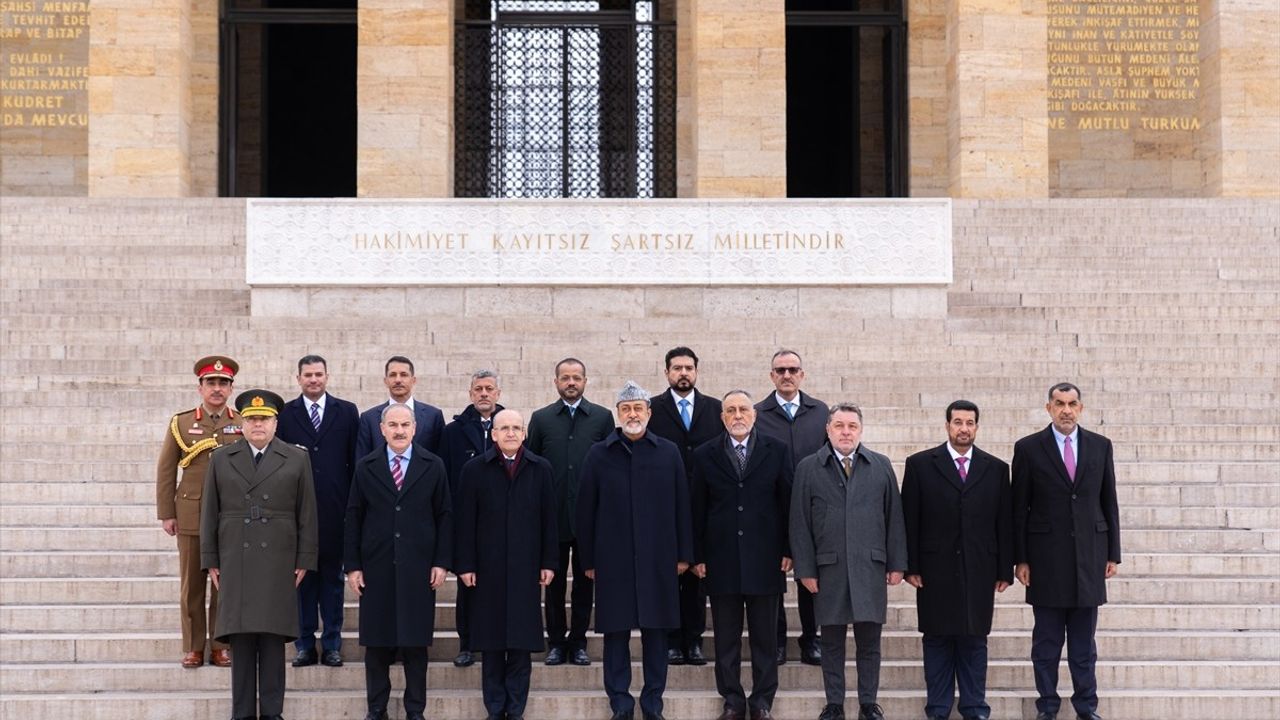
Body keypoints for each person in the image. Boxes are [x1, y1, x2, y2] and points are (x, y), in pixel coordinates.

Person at [576, 381, 694, 720]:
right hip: (613, 561)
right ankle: (621, 704)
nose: (632, 414)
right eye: (626, 409)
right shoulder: (599, 453)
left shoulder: (668, 452)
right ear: (618, 413)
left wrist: (684, 554)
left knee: (657, 636)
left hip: (659, 559)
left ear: (649, 413)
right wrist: (588, 560)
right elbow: (585, 511)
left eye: (638, 409)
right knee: (616, 636)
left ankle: (653, 703)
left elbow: (681, 506)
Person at [200, 389, 319, 720]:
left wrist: (304, 558)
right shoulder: (221, 458)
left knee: (271, 638)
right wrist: (210, 559)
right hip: (235, 555)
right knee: (240, 639)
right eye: (252, 419)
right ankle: (241, 712)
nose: (258, 425)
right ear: (241, 422)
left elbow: (306, 513)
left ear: (275, 423)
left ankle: (271, 712)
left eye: (264, 419)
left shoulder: (296, 458)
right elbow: (210, 511)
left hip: (279, 557)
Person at [790, 403, 907, 720]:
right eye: (839, 425)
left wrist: (897, 563)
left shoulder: (880, 466)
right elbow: (799, 523)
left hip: (870, 566)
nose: (845, 432)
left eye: (851, 426)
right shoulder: (808, 468)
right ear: (827, 429)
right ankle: (835, 704)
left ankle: (869, 703)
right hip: (829, 569)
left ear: (860, 430)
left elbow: (893, 517)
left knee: (869, 643)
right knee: (831, 643)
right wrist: (805, 568)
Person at [1013, 383, 1121, 720]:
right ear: (1048, 408)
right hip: (1045, 563)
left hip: (1089, 559)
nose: (1066, 410)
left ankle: (1086, 708)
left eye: (1072, 404)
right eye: (1059, 404)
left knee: (1083, 647)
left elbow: (1109, 501)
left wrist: (1112, 553)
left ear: (1081, 407)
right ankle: (1047, 706)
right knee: (1045, 646)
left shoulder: (1100, 446)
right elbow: (1019, 508)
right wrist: (1021, 558)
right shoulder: (1029, 448)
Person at [902, 400, 1012, 720]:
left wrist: (1004, 567)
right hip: (934, 571)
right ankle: (937, 709)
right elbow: (910, 519)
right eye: (958, 422)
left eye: (970, 423)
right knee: (937, 640)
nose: (964, 428)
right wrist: (911, 566)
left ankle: (974, 707)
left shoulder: (995, 468)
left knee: (974, 641)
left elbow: (1003, 523)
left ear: (977, 427)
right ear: (947, 425)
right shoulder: (921, 464)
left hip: (980, 569)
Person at [345, 403, 453, 720]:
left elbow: (445, 516)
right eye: (393, 424)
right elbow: (354, 516)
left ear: (415, 428)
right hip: (376, 567)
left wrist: (441, 562)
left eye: (405, 424)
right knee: (377, 644)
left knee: (416, 644)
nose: (399, 430)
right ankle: (376, 707)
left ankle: (415, 709)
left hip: (419, 567)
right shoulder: (366, 466)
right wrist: (353, 565)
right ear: (382, 429)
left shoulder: (433, 465)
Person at [690, 390, 793, 720]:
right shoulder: (706, 454)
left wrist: (789, 550)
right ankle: (733, 700)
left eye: (743, 409)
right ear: (722, 417)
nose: (737, 415)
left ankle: (762, 700)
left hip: (766, 559)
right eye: (730, 410)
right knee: (726, 639)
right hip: (721, 560)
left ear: (754, 414)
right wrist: (697, 555)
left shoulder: (776, 450)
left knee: (766, 639)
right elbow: (697, 509)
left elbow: (787, 503)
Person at [454, 409, 559, 720]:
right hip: (487, 569)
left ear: (524, 433)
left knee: (521, 643)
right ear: (494, 434)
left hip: (526, 568)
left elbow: (549, 521)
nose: (511, 433)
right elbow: (465, 522)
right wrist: (465, 565)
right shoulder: (474, 469)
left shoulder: (541, 469)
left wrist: (549, 562)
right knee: (491, 643)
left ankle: (516, 709)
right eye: (504, 428)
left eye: (516, 428)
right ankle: (494, 708)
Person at [525, 357, 614, 666]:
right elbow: (530, 465)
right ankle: (556, 642)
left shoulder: (602, 418)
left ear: (586, 381)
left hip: (590, 518)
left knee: (585, 583)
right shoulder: (541, 418)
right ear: (556, 382)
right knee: (554, 583)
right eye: (566, 377)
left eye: (577, 377)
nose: (571, 382)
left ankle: (578, 642)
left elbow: (610, 465)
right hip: (553, 517)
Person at [155, 354, 241, 668]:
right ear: (200, 386)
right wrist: (167, 511)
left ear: (231, 388)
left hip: (229, 515)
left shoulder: (243, 422)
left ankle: (220, 644)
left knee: (224, 584)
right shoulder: (181, 422)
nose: (217, 388)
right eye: (211, 382)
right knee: (192, 584)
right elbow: (166, 469)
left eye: (223, 383)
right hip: (191, 512)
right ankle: (193, 646)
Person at [275, 354, 360, 668]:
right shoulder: (285, 414)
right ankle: (304, 644)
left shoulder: (348, 412)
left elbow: (356, 461)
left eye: (318, 374)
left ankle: (333, 643)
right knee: (302, 581)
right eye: (307, 375)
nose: (313, 380)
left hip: (336, 511)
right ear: (298, 378)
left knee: (332, 582)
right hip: (298, 516)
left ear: (328, 376)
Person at [646, 346, 722, 666]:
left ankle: (694, 640)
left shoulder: (715, 408)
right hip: (663, 506)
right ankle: (672, 640)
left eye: (688, 368)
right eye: (676, 368)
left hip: (703, 505)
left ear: (697, 372)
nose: (683, 373)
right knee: (668, 576)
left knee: (696, 576)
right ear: (666, 373)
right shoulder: (652, 408)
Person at [754, 349, 828, 665]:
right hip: (771, 508)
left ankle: (811, 638)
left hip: (812, 508)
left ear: (802, 374)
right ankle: (778, 640)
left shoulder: (820, 411)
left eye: (793, 369)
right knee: (773, 580)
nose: (787, 375)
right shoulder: (759, 412)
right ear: (771, 375)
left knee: (810, 576)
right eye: (780, 370)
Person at [440, 369, 506, 668]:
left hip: (503, 523)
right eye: (478, 389)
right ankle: (467, 643)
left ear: (498, 393)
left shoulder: (510, 427)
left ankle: (501, 639)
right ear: (470, 393)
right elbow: (444, 475)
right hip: (466, 521)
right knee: (468, 586)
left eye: (489, 389)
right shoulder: (452, 431)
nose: (483, 394)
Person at [355, 356, 445, 459]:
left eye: (404, 375)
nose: (398, 380)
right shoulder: (369, 418)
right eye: (393, 375)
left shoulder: (433, 416)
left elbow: (441, 460)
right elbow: (362, 462)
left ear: (413, 380)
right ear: (386, 381)